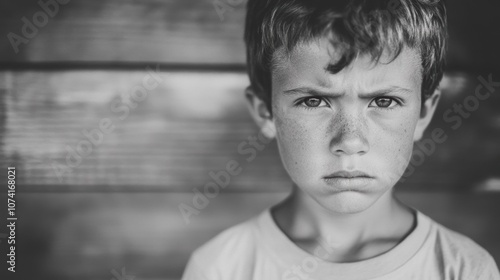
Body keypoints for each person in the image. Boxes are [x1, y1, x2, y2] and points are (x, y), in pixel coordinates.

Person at [182, 0, 500, 279]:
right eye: (314, 101)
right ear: (266, 111)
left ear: (423, 114)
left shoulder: (465, 270)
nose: (349, 141)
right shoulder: (221, 268)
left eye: (384, 101)